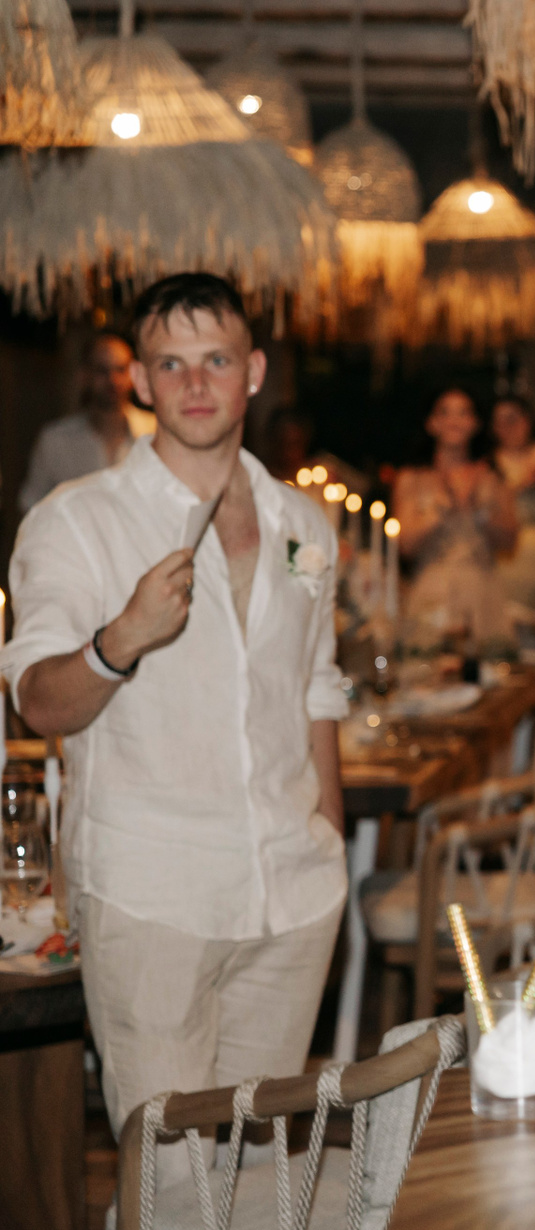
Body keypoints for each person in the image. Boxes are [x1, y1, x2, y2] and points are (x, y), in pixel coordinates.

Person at [0, 274, 347, 1146]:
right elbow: (37, 702)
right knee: (170, 1184)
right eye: (171, 364)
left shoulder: (304, 522)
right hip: (154, 895)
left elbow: (317, 687)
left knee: (259, 1180)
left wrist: (330, 843)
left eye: (216, 360)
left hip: (291, 895)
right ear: (141, 380)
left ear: (253, 372)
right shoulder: (77, 521)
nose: (196, 384)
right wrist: (120, 640)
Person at [391, 388, 517, 647]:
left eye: (463, 413)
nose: (454, 421)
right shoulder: (412, 478)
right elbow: (405, 545)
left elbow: (510, 540)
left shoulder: (491, 476)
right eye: (445, 413)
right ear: (431, 423)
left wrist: (477, 509)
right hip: (432, 588)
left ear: (475, 423)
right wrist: (441, 507)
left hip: (481, 588)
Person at [17, 333, 157, 514]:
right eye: (102, 371)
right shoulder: (55, 440)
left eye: (121, 369)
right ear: (84, 375)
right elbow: (31, 508)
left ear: (134, 375)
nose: (112, 380)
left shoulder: (157, 432)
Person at [490, 394, 535, 632]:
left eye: (513, 419)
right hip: (507, 561)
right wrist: (520, 485)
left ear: (527, 420)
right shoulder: (488, 465)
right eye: (500, 422)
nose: (508, 428)